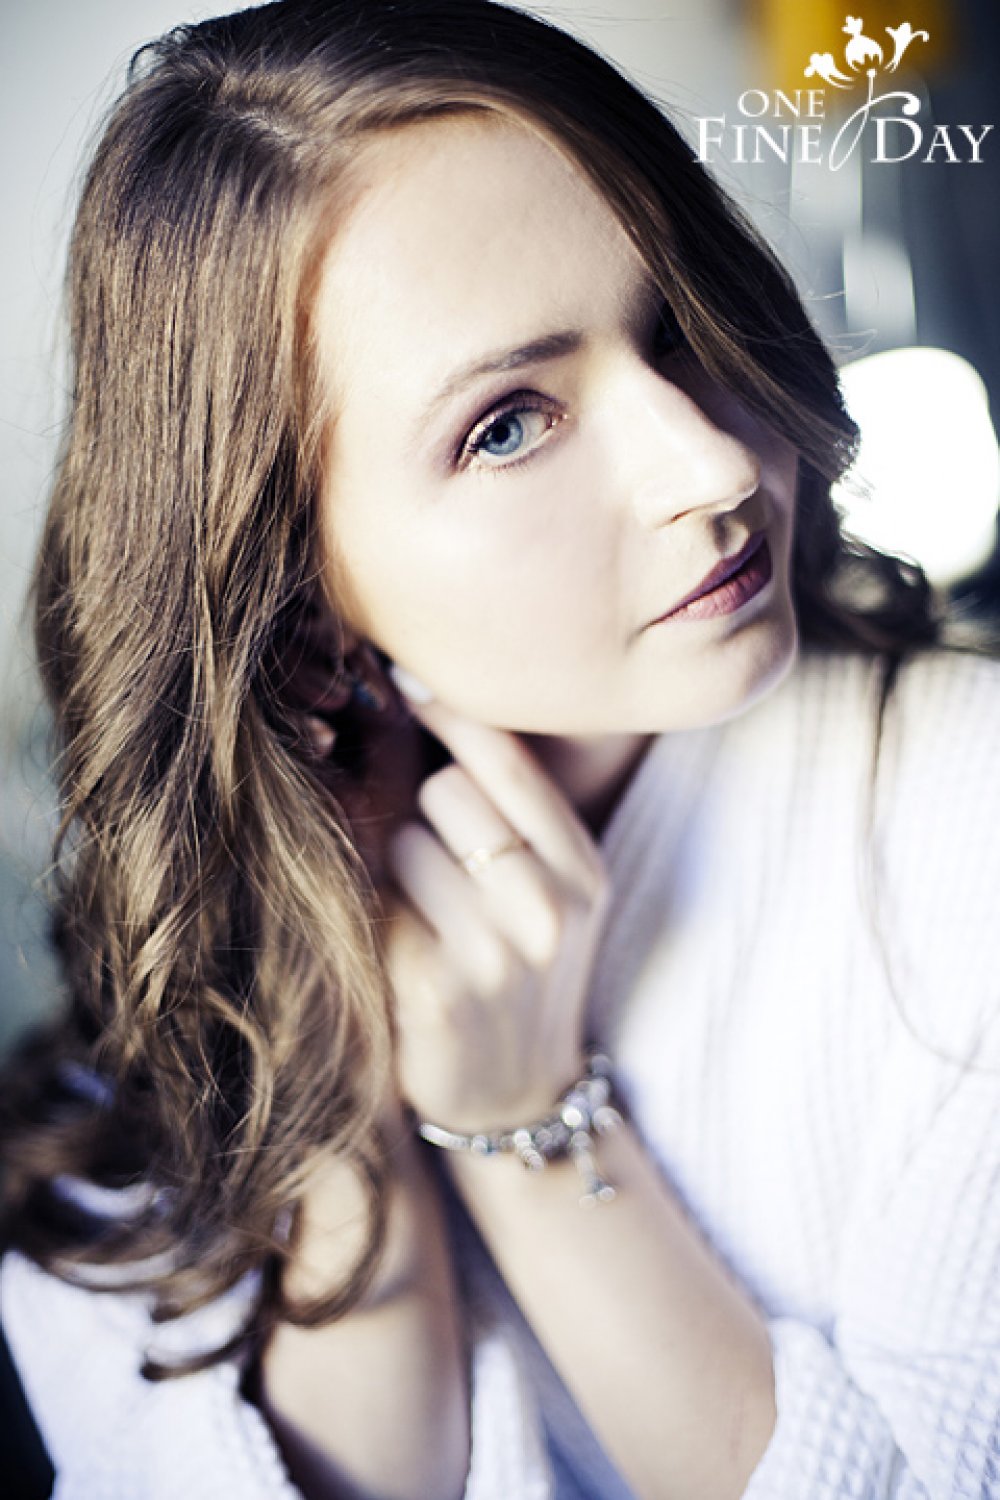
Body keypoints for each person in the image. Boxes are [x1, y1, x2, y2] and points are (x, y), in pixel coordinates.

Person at [1, 1, 998, 1497]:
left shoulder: (963, 818)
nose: (710, 464)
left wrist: (523, 1124)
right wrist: (343, 1088)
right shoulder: (132, 1095)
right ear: (298, 594)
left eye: (674, 320)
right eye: (510, 425)